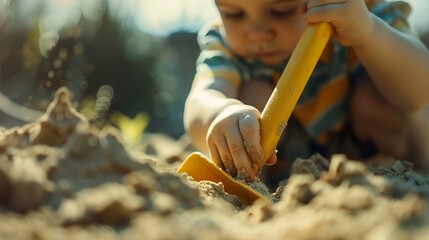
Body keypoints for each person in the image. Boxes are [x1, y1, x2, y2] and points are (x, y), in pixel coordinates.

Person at [183, 0, 429, 189]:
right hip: (285, 159)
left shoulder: (363, 12)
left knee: (375, 98)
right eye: (233, 13)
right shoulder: (229, 47)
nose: (256, 32)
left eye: (282, 10)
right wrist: (220, 112)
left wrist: (368, 31)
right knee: (251, 98)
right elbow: (202, 97)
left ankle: (419, 174)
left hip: (373, 150)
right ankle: (252, 180)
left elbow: (419, 91)